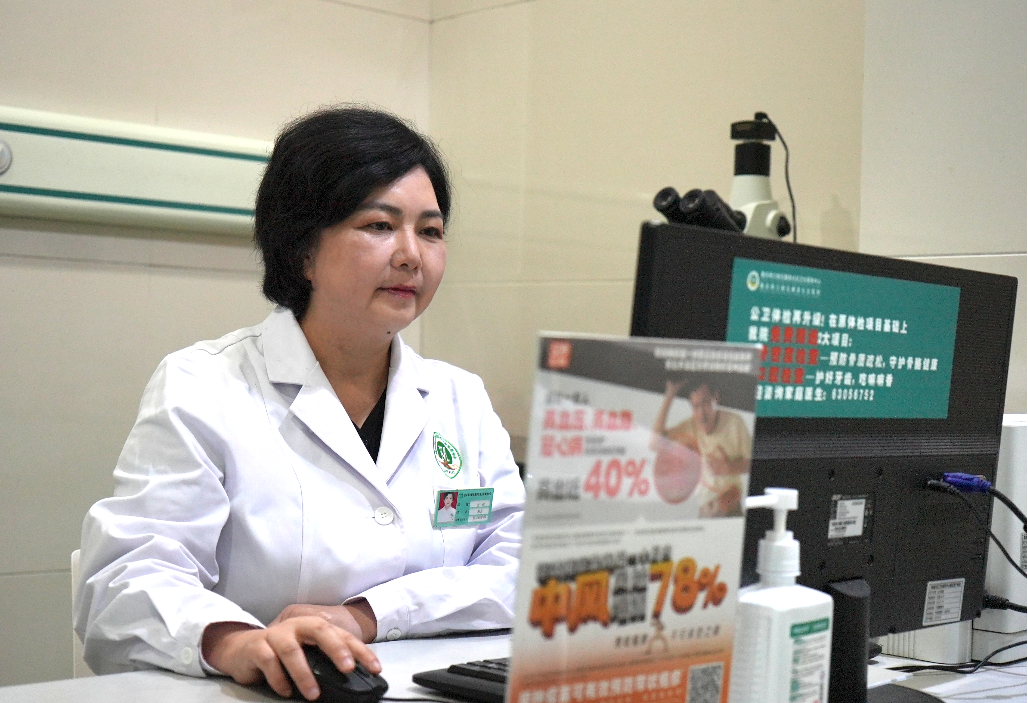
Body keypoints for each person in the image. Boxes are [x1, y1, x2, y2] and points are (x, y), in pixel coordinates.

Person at [74, 107, 525, 701]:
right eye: (379, 225)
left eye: (431, 231)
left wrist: (369, 615)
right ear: (302, 250)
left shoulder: (458, 397)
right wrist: (236, 643)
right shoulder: (204, 384)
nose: (411, 255)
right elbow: (124, 584)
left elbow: (525, 568)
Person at [652, 377, 751, 517]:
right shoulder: (690, 426)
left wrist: (730, 467)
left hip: (731, 508)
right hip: (705, 512)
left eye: (705, 403)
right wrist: (670, 394)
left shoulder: (735, 422)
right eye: (696, 406)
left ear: (716, 398)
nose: (701, 413)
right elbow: (655, 443)